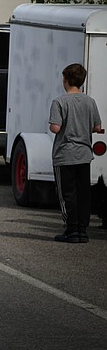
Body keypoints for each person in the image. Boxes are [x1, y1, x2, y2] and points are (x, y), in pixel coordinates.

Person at [49, 63, 104, 243]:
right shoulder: (90, 101)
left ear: (66, 80)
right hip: (84, 154)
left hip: (65, 155)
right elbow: (97, 127)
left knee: (67, 194)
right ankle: (82, 230)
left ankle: (71, 229)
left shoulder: (59, 102)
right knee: (83, 193)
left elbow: (56, 128)